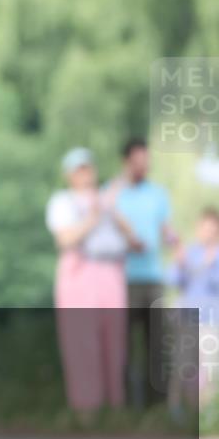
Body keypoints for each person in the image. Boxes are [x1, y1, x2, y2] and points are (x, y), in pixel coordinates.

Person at [46, 148, 142, 422]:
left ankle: (115, 409)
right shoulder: (62, 201)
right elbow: (65, 240)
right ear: (69, 175)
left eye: (87, 168)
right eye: (79, 169)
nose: (85, 174)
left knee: (115, 342)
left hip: (111, 273)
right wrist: (95, 213)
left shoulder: (109, 199)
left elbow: (133, 242)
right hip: (79, 274)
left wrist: (113, 210)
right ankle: (86, 412)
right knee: (81, 341)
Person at [112, 138, 180, 407]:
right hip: (122, 280)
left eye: (146, 161)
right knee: (125, 345)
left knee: (157, 343)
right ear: (126, 162)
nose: (143, 166)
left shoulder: (158, 194)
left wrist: (174, 240)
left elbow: (166, 228)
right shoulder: (113, 192)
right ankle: (127, 405)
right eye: (138, 161)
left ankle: (160, 406)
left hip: (153, 278)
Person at [167, 207, 219, 418]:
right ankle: (176, 410)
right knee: (183, 365)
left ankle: (206, 414)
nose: (207, 232)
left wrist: (209, 264)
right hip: (187, 318)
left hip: (212, 320)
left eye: (212, 228)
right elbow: (173, 281)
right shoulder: (189, 253)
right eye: (204, 228)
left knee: (210, 368)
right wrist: (180, 263)